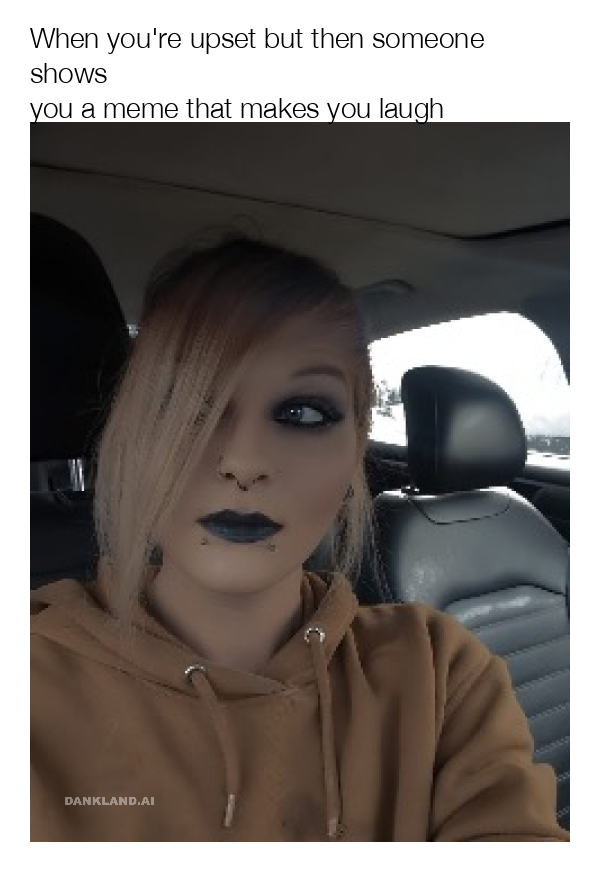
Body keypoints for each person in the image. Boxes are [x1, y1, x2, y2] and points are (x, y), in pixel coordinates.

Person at [30, 237, 569, 842]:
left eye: (304, 413)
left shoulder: (440, 672)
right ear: (130, 436)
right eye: (189, 407)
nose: (244, 461)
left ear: (355, 450)